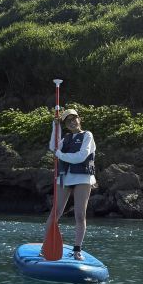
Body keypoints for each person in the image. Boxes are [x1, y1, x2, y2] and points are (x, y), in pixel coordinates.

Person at [43, 108, 96, 260]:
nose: (72, 122)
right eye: (68, 121)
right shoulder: (66, 138)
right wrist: (55, 127)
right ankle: (45, 246)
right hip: (65, 177)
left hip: (83, 178)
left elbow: (81, 156)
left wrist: (60, 155)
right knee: (55, 213)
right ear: (65, 125)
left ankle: (77, 250)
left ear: (79, 119)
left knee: (79, 214)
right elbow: (53, 147)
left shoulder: (87, 135)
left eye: (74, 119)